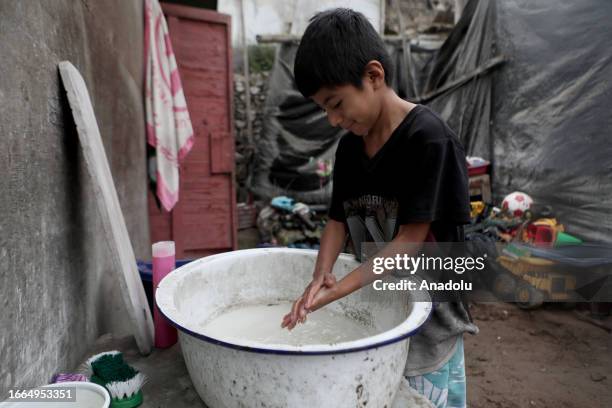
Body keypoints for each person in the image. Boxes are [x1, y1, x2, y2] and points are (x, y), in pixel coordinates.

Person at [280, 8, 478, 408]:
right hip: (377, 291)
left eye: (336, 103)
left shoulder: (429, 140)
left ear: (373, 76)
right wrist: (321, 276)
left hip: (430, 309)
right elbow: (337, 220)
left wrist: (336, 293)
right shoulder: (351, 147)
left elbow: (410, 240)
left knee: (424, 393)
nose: (333, 119)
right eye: (324, 109)